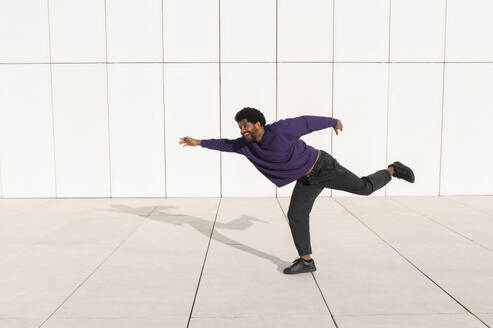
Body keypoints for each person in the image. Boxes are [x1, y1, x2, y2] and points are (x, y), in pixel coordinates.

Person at [179, 107, 415, 274]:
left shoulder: (279, 130)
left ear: (258, 123)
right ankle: (306, 261)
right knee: (296, 215)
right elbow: (227, 144)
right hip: (306, 179)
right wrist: (199, 142)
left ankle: (393, 170)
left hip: (323, 166)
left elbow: (305, 122)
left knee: (364, 188)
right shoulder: (246, 145)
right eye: (240, 127)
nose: (243, 130)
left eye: (246, 125)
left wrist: (333, 121)